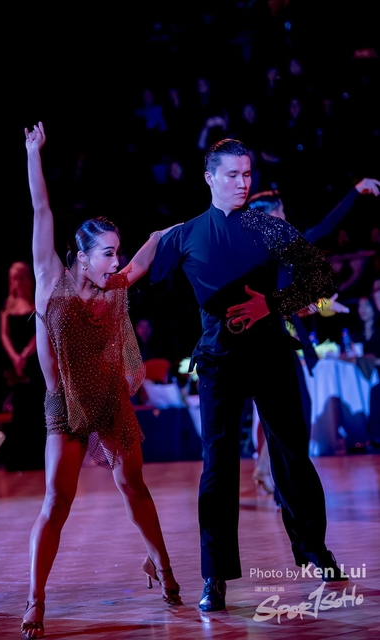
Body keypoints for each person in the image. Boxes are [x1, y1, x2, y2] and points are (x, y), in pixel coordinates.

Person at [150, 138, 349, 613]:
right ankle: (214, 576)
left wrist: (271, 304)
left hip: (271, 356)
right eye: (233, 175)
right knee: (217, 467)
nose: (243, 183)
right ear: (209, 178)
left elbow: (321, 277)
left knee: (292, 456)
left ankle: (316, 552)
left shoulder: (267, 226)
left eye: (247, 174)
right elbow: (147, 283)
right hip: (218, 362)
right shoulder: (186, 234)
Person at [20, 122, 182, 640]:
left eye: (118, 251)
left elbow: (148, 251)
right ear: (83, 255)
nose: (117, 261)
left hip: (110, 399)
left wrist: (179, 228)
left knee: (133, 485)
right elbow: (41, 210)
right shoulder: (50, 280)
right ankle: (35, 600)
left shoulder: (114, 285)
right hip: (64, 406)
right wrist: (34, 153)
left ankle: (163, 567)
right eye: (107, 252)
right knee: (56, 502)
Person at [247, 177, 380, 500]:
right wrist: (355, 192)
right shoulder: (272, 251)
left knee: (286, 415)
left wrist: (321, 306)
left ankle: (272, 477)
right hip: (271, 344)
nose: (286, 217)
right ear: (271, 215)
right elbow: (324, 228)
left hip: (278, 341)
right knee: (291, 415)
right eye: (281, 211)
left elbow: (288, 301)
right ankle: (283, 485)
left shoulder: (270, 252)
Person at [0, 261, 46, 471]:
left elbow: (40, 330)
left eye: (19, 278)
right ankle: (18, 459)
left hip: (33, 359)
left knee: (35, 406)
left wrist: (26, 353)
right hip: (15, 361)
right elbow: (4, 334)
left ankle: (37, 458)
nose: (16, 283)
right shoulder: (8, 305)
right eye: (12, 279)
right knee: (19, 408)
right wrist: (15, 357)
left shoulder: (35, 303)